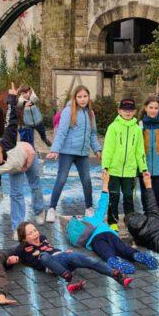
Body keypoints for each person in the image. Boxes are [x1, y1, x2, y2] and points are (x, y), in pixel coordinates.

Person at [66, 171, 159, 275]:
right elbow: (103, 204)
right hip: (108, 233)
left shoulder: (79, 230)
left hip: (95, 240)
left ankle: (113, 260)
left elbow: (76, 242)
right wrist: (105, 183)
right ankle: (135, 255)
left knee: (105, 252)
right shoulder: (95, 218)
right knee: (123, 248)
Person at [0, 89, 45, 231]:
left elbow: (11, 122)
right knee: (16, 194)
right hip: (16, 167)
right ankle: (18, 227)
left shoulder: (7, 141)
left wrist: (12, 98)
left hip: (28, 155)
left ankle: (40, 211)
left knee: (35, 184)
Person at [6, 221, 132, 294]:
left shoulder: (43, 238)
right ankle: (68, 278)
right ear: (24, 238)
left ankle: (117, 275)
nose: (35, 234)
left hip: (62, 258)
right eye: (30, 233)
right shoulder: (22, 248)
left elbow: (54, 251)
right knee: (43, 256)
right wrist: (11, 260)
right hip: (50, 266)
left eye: (35, 230)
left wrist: (64, 252)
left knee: (89, 261)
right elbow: (8, 256)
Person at [45, 85, 101, 221]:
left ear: (89, 97)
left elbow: (93, 134)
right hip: (67, 152)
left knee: (87, 180)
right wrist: (55, 149)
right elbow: (61, 132)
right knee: (61, 179)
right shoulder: (68, 111)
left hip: (82, 154)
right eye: (79, 97)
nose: (82, 99)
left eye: (85, 96)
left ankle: (89, 208)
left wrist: (97, 149)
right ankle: (51, 209)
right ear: (75, 98)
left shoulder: (90, 113)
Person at [101, 98, 148, 224]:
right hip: (114, 170)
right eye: (124, 109)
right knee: (114, 197)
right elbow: (108, 149)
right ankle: (112, 222)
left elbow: (140, 150)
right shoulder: (113, 127)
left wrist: (143, 168)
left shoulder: (137, 129)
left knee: (128, 197)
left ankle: (130, 222)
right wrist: (105, 167)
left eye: (130, 110)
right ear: (119, 111)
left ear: (135, 112)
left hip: (130, 171)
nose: (128, 112)